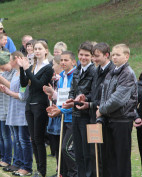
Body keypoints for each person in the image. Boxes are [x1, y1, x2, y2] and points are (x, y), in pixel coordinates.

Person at [73, 42, 115, 177]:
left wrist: (88, 101)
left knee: (95, 154)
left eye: (89, 55)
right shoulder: (88, 70)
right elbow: (87, 92)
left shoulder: (102, 71)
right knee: (85, 152)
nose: (85, 58)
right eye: (81, 55)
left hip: (97, 115)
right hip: (85, 114)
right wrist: (80, 99)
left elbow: (101, 95)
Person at [96, 44, 137, 177]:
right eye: (113, 54)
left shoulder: (128, 74)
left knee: (121, 159)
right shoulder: (112, 72)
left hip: (122, 120)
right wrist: (102, 112)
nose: (114, 57)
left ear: (126, 56)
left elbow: (118, 99)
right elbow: (104, 94)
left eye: (118, 55)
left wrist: (101, 109)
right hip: (110, 119)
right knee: (109, 158)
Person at [18, 40, 54, 177]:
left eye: (40, 49)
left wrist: (27, 69)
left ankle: (42, 170)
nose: (37, 51)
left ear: (46, 51)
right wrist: (22, 68)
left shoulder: (48, 67)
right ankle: (37, 168)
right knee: (33, 138)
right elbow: (23, 83)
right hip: (30, 104)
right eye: (36, 49)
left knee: (39, 139)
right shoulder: (32, 66)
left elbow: (39, 85)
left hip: (40, 104)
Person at [62, 42, 96, 177]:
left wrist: (82, 99)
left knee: (87, 152)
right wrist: (71, 100)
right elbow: (72, 90)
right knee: (78, 151)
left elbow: (94, 93)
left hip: (87, 115)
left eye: (86, 55)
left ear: (92, 56)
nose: (83, 57)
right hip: (75, 114)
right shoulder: (77, 70)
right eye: (81, 54)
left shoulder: (94, 72)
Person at [0, 51, 33, 176]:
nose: (9, 61)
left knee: (23, 140)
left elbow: (23, 95)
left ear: (17, 59)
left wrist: (9, 92)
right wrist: (6, 90)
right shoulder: (15, 73)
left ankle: (26, 166)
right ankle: (18, 162)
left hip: (21, 110)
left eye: (11, 59)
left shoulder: (23, 74)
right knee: (17, 140)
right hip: (14, 109)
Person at [45, 51, 78, 177]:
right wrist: (55, 108)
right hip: (64, 118)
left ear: (73, 62)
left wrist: (61, 110)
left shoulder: (75, 76)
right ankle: (63, 173)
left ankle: (75, 173)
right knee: (61, 149)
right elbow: (62, 100)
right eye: (61, 60)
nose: (63, 63)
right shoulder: (61, 78)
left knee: (67, 149)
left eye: (66, 60)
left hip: (73, 119)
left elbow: (74, 101)